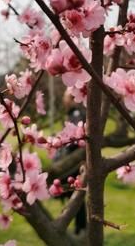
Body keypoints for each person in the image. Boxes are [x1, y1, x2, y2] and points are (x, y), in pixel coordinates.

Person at [54, 90, 87, 236]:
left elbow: (75, 138)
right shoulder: (73, 113)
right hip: (71, 160)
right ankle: (79, 226)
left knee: (76, 196)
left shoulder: (77, 114)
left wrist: (63, 147)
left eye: (66, 97)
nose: (64, 100)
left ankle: (80, 226)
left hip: (72, 162)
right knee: (74, 195)